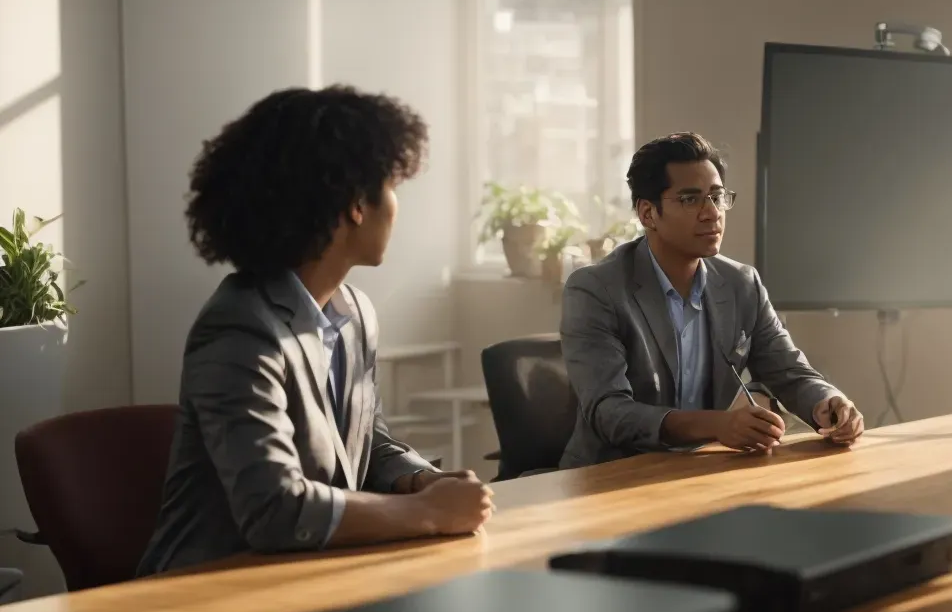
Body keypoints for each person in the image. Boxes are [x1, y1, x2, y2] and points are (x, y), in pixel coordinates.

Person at [137, 88, 493, 576]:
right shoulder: (239, 325)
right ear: (354, 204)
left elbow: (367, 443)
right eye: (391, 185)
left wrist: (422, 480)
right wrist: (429, 513)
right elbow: (272, 509)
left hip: (307, 577)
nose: (395, 204)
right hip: (206, 595)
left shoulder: (355, 312)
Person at [559, 133, 862, 467]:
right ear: (648, 214)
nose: (711, 213)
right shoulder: (595, 289)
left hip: (702, 468)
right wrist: (718, 425)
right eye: (691, 200)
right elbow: (609, 412)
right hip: (611, 476)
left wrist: (828, 401)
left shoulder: (741, 283)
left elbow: (791, 373)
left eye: (717, 198)